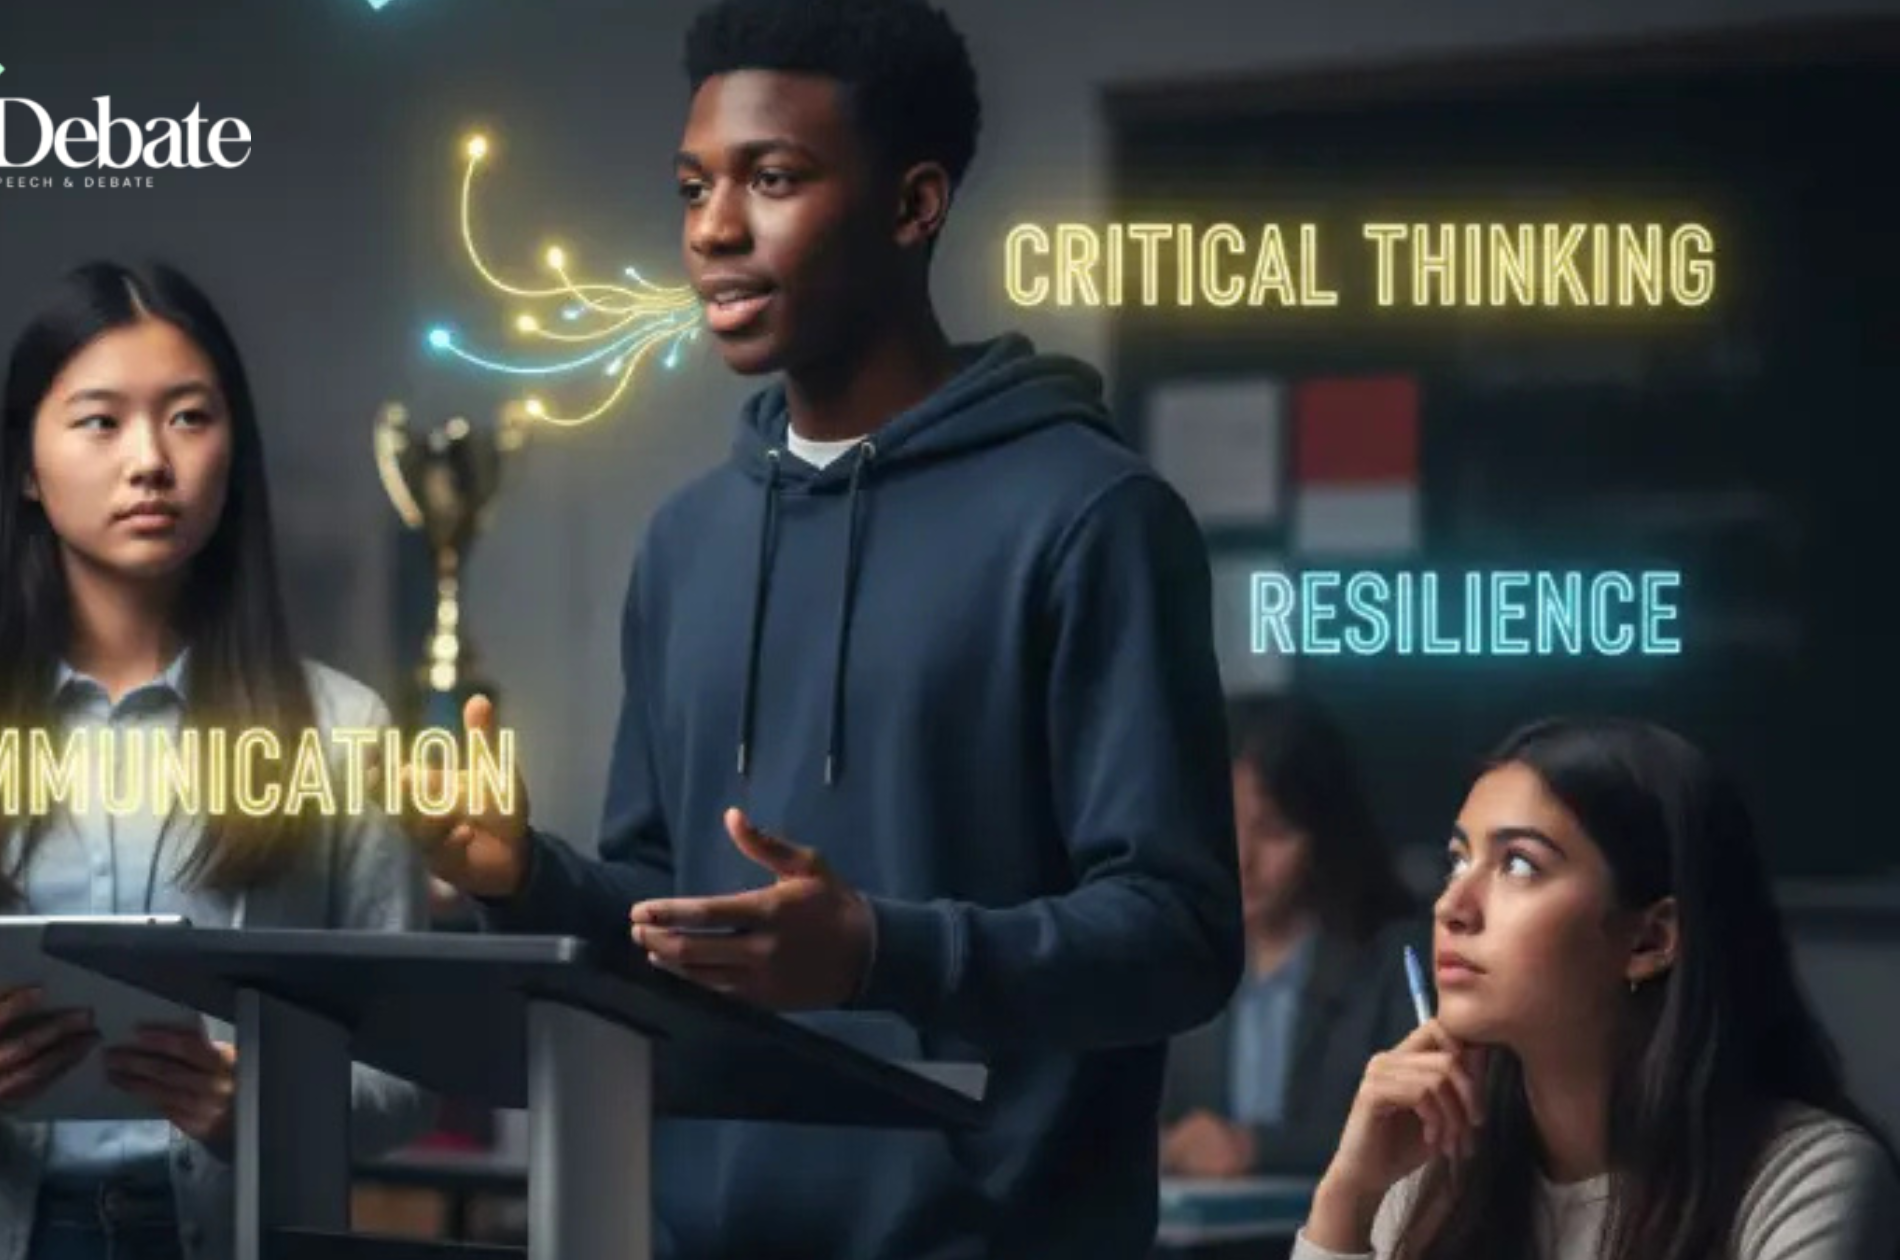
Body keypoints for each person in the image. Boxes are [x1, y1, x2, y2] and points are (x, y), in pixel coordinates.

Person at [394, 0, 1242, 1255]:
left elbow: (1177, 937)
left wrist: (877, 954)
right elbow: (652, 906)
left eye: (772, 179)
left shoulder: (1092, 517)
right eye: (692, 188)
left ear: (913, 205)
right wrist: (524, 878)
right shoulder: (686, 541)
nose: (713, 231)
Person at [0, 261, 427, 1260]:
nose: (150, 459)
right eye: (99, 421)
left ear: (234, 450)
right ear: (25, 463)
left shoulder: (342, 736)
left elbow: (405, 1083)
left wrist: (259, 1102)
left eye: (189, 417)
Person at [1295, 717, 1900, 1260]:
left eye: (1519, 865)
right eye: (1457, 861)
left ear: (1649, 941)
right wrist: (1347, 1198)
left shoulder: (1807, 1180)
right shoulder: (1436, 1177)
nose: (1452, 906)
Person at [1161, 696, 1423, 1178]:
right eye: (1220, 829)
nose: (1241, 860)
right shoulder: (1176, 962)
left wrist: (1253, 1150)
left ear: (1324, 831)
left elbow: (1419, 1131)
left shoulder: (1394, 962)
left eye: (1273, 831)